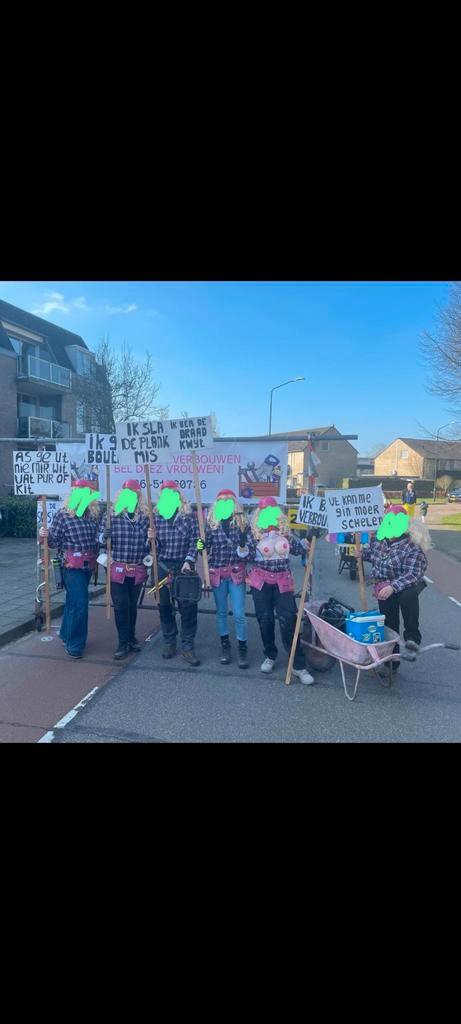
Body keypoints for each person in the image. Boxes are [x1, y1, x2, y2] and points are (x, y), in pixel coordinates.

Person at [246, 496, 314, 684]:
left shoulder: (286, 533)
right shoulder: (254, 534)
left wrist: (309, 537)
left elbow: (299, 550)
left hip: (283, 582)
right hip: (261, 582)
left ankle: (298, 665)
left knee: (289, 619)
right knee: (265, 619)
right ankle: (270, 655)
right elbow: (246, 554)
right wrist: (243, 543)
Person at [362, 504, 430, 675]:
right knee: (389, 622)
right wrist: (361, 554)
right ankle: (392, 661)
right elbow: (374, 556)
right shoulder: (380, 541)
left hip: (405, 585)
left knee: (408, 597)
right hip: (384, 586)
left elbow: (414, 573)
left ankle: (412, 637)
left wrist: (393, 586)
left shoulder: (411, 546)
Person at [39, 478, 101, 658]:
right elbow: (53, 541)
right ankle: (75, 644)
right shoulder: (63, 515)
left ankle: (66, 633)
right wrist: (44, 534)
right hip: (70, 566)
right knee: (81, 602)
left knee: (74, 601)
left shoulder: (94, 515)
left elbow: (98, 538)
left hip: (89, 564)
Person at [198, 488, 250, 669]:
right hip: (217, 573)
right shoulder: (211, 524)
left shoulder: (243, 524)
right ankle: (225, 646)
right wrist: (201, 544)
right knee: (221, 612)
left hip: (236, 573)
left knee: (238, 613)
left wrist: (243, 543)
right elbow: (203, 547)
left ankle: (243, 647)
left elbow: (247, 555)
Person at [153, 480, 201, 666]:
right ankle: (169, 641)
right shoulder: (155, 518)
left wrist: (189, 560)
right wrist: (151, 539)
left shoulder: (188, 517)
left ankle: (188, 645)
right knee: (164, 606)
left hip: (184, 567)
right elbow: (153, 547)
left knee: (188, 608)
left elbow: (195, 540)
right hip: (163, 565)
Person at [103, 479, 150, 660]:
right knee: (121, 605)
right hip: (118, 568)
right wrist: (103, 535)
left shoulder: (146, 517)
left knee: (132, 605)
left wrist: (150, 539)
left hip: (137, 567)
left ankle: (131, 637)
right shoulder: (112, 515)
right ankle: (122, 642)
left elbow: (149, 546)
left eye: (134, 493)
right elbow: (100, 540)